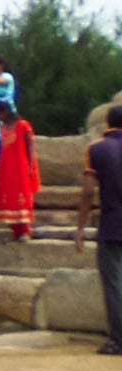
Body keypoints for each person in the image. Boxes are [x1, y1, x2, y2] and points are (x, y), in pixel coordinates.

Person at [75, 106, 122, 355]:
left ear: (107, 124)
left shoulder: (96, 149)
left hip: (112, 224)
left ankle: (118, 339)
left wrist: (81, 227)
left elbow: (87, 192)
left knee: (113, 283)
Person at [0, 101, 40, 241]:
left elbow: (30, 146)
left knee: (22, 199)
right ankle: (16, 231)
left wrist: (31, 167)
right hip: (6, 169)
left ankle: (25, 231)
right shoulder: (2, 128)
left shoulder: (23, 125)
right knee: (9, 199)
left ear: (6, 111)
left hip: (20, 168)